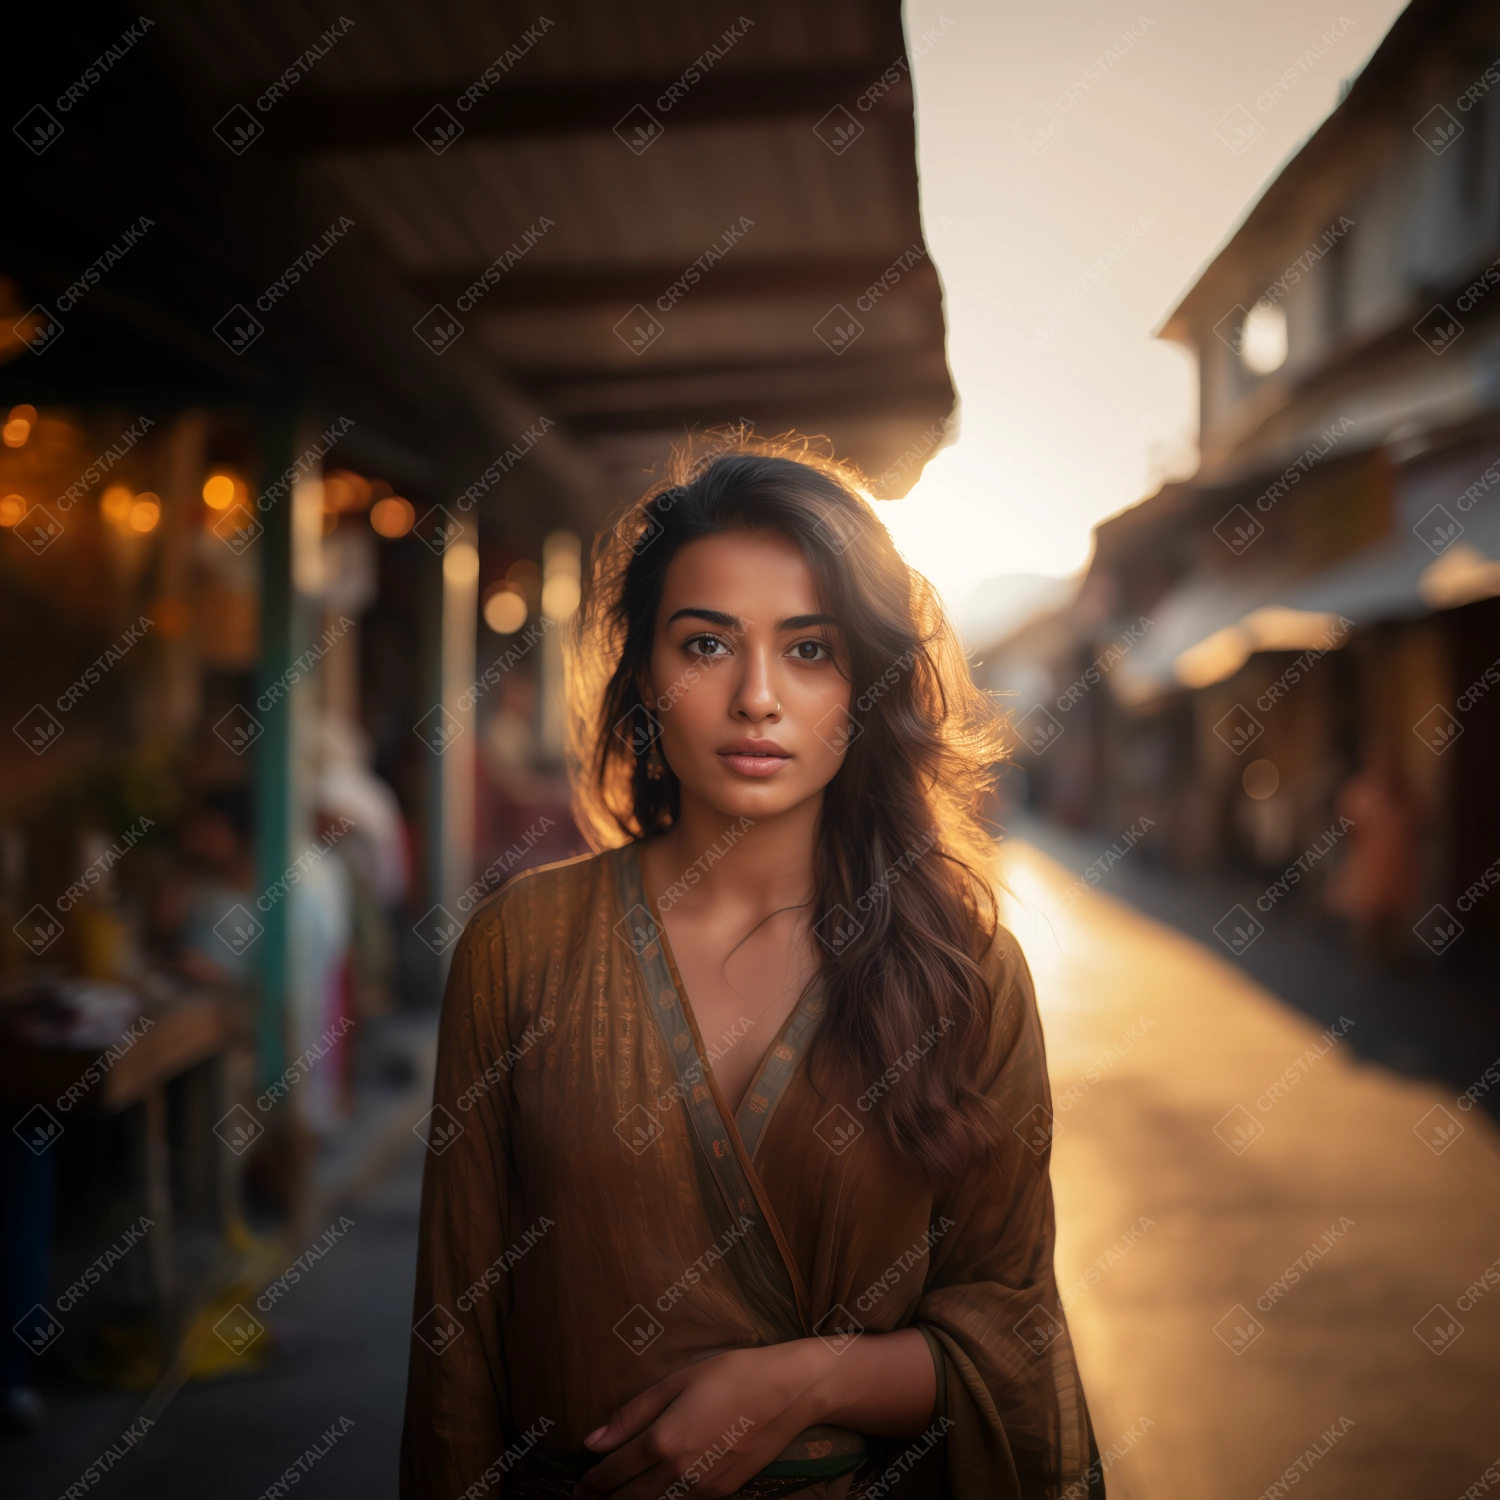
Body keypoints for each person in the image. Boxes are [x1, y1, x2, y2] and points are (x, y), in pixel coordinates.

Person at [401, 442, 1102, 1500]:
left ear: (866, 682)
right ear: (643, 674)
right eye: (707, 644)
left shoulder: (964, 971)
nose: (758, 697)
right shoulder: (520, 947)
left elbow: (1014, 1332)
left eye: (810, 649)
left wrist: (809, 1383)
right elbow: (454, 1354)